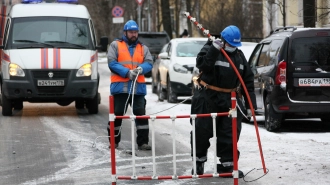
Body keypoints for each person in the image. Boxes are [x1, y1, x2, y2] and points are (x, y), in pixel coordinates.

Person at [190, 25, 257, 177]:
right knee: (201, 130)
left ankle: (228, 165)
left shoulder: (239, 57)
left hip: (229, 99)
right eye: (230, 44)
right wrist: (214, 49)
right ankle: (198, 163)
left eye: (235, 45)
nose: (233, 47)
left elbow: (248, 82)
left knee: (230, 132)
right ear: (223, 40)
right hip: (207, 96)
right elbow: (203, 65)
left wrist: (250, 105)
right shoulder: (210, 48)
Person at [107, 20, 153, 150]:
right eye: (131, 32)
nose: (134, 34)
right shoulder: (115, 45)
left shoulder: (143, 48)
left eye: (135, 32)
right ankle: (114, 141)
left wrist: (140, 69)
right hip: (120, 88)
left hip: (138, 89)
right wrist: (127, 73)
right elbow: (111, 62)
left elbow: (149, 62)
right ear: (125, 32)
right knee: (117, 115)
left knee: (141, 115)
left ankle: (143, 142)